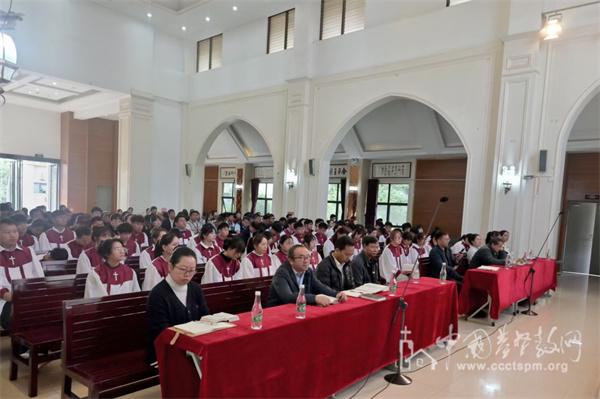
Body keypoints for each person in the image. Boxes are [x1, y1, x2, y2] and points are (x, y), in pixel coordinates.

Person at [146, 246, 209, 364]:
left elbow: (205, 317)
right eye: (183, 269)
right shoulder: (158, 294)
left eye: (192, 271)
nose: (187, 275)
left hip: (195, 346)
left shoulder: (195, 289)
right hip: (169, 349)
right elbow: (161, 331)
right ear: (170, 266)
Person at [0, 218, 45, 332]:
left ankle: (33, 347)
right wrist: (5, 294)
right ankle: (22, 348)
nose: (12, 235)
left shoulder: (28, 252)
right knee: (16, 318)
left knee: (47, 313)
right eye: (7, 232)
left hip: (29, 297)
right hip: (5, 300)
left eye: (14, 231)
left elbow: (39, 276)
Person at [267, 244, 347, 307]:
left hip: (300, 307)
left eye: (308, 257)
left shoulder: (308, 271)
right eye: (301, 258)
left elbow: (320, 287)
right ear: (291, 260)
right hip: (280, 310)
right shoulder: (282, 273)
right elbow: (288, 297)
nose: (306, 261)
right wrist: (315, 298)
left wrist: (336, 294)